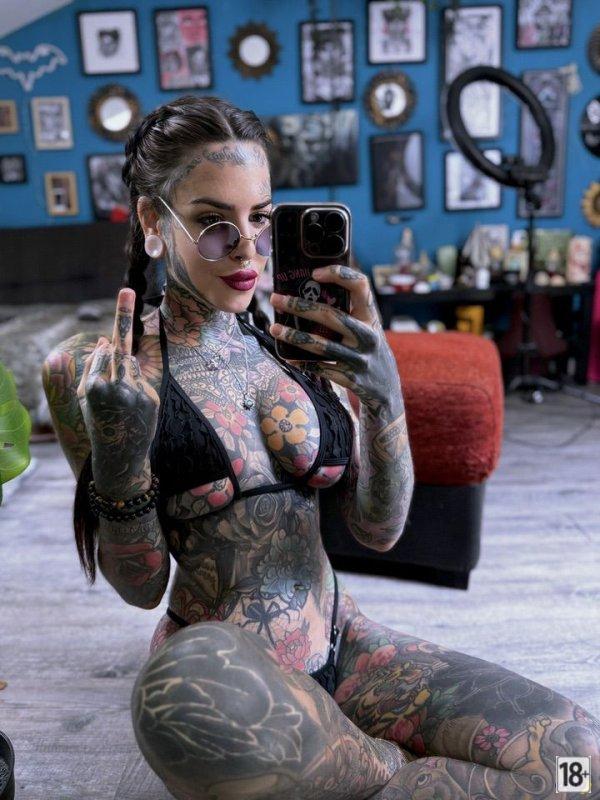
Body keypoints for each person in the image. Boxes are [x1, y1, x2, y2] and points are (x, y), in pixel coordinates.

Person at [42, 95, 599, 800]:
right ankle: (383, 766)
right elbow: (141, 586)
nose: (247, 248)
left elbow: (379, 529)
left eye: (261, 218)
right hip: (231, 685)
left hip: (346, 645)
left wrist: (384, 395)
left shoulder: (299, 345)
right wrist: (121, 460)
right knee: (176, 702)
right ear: (154, 223)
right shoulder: (99, 372)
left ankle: (368, 771)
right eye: (214, 224)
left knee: (581, 765)